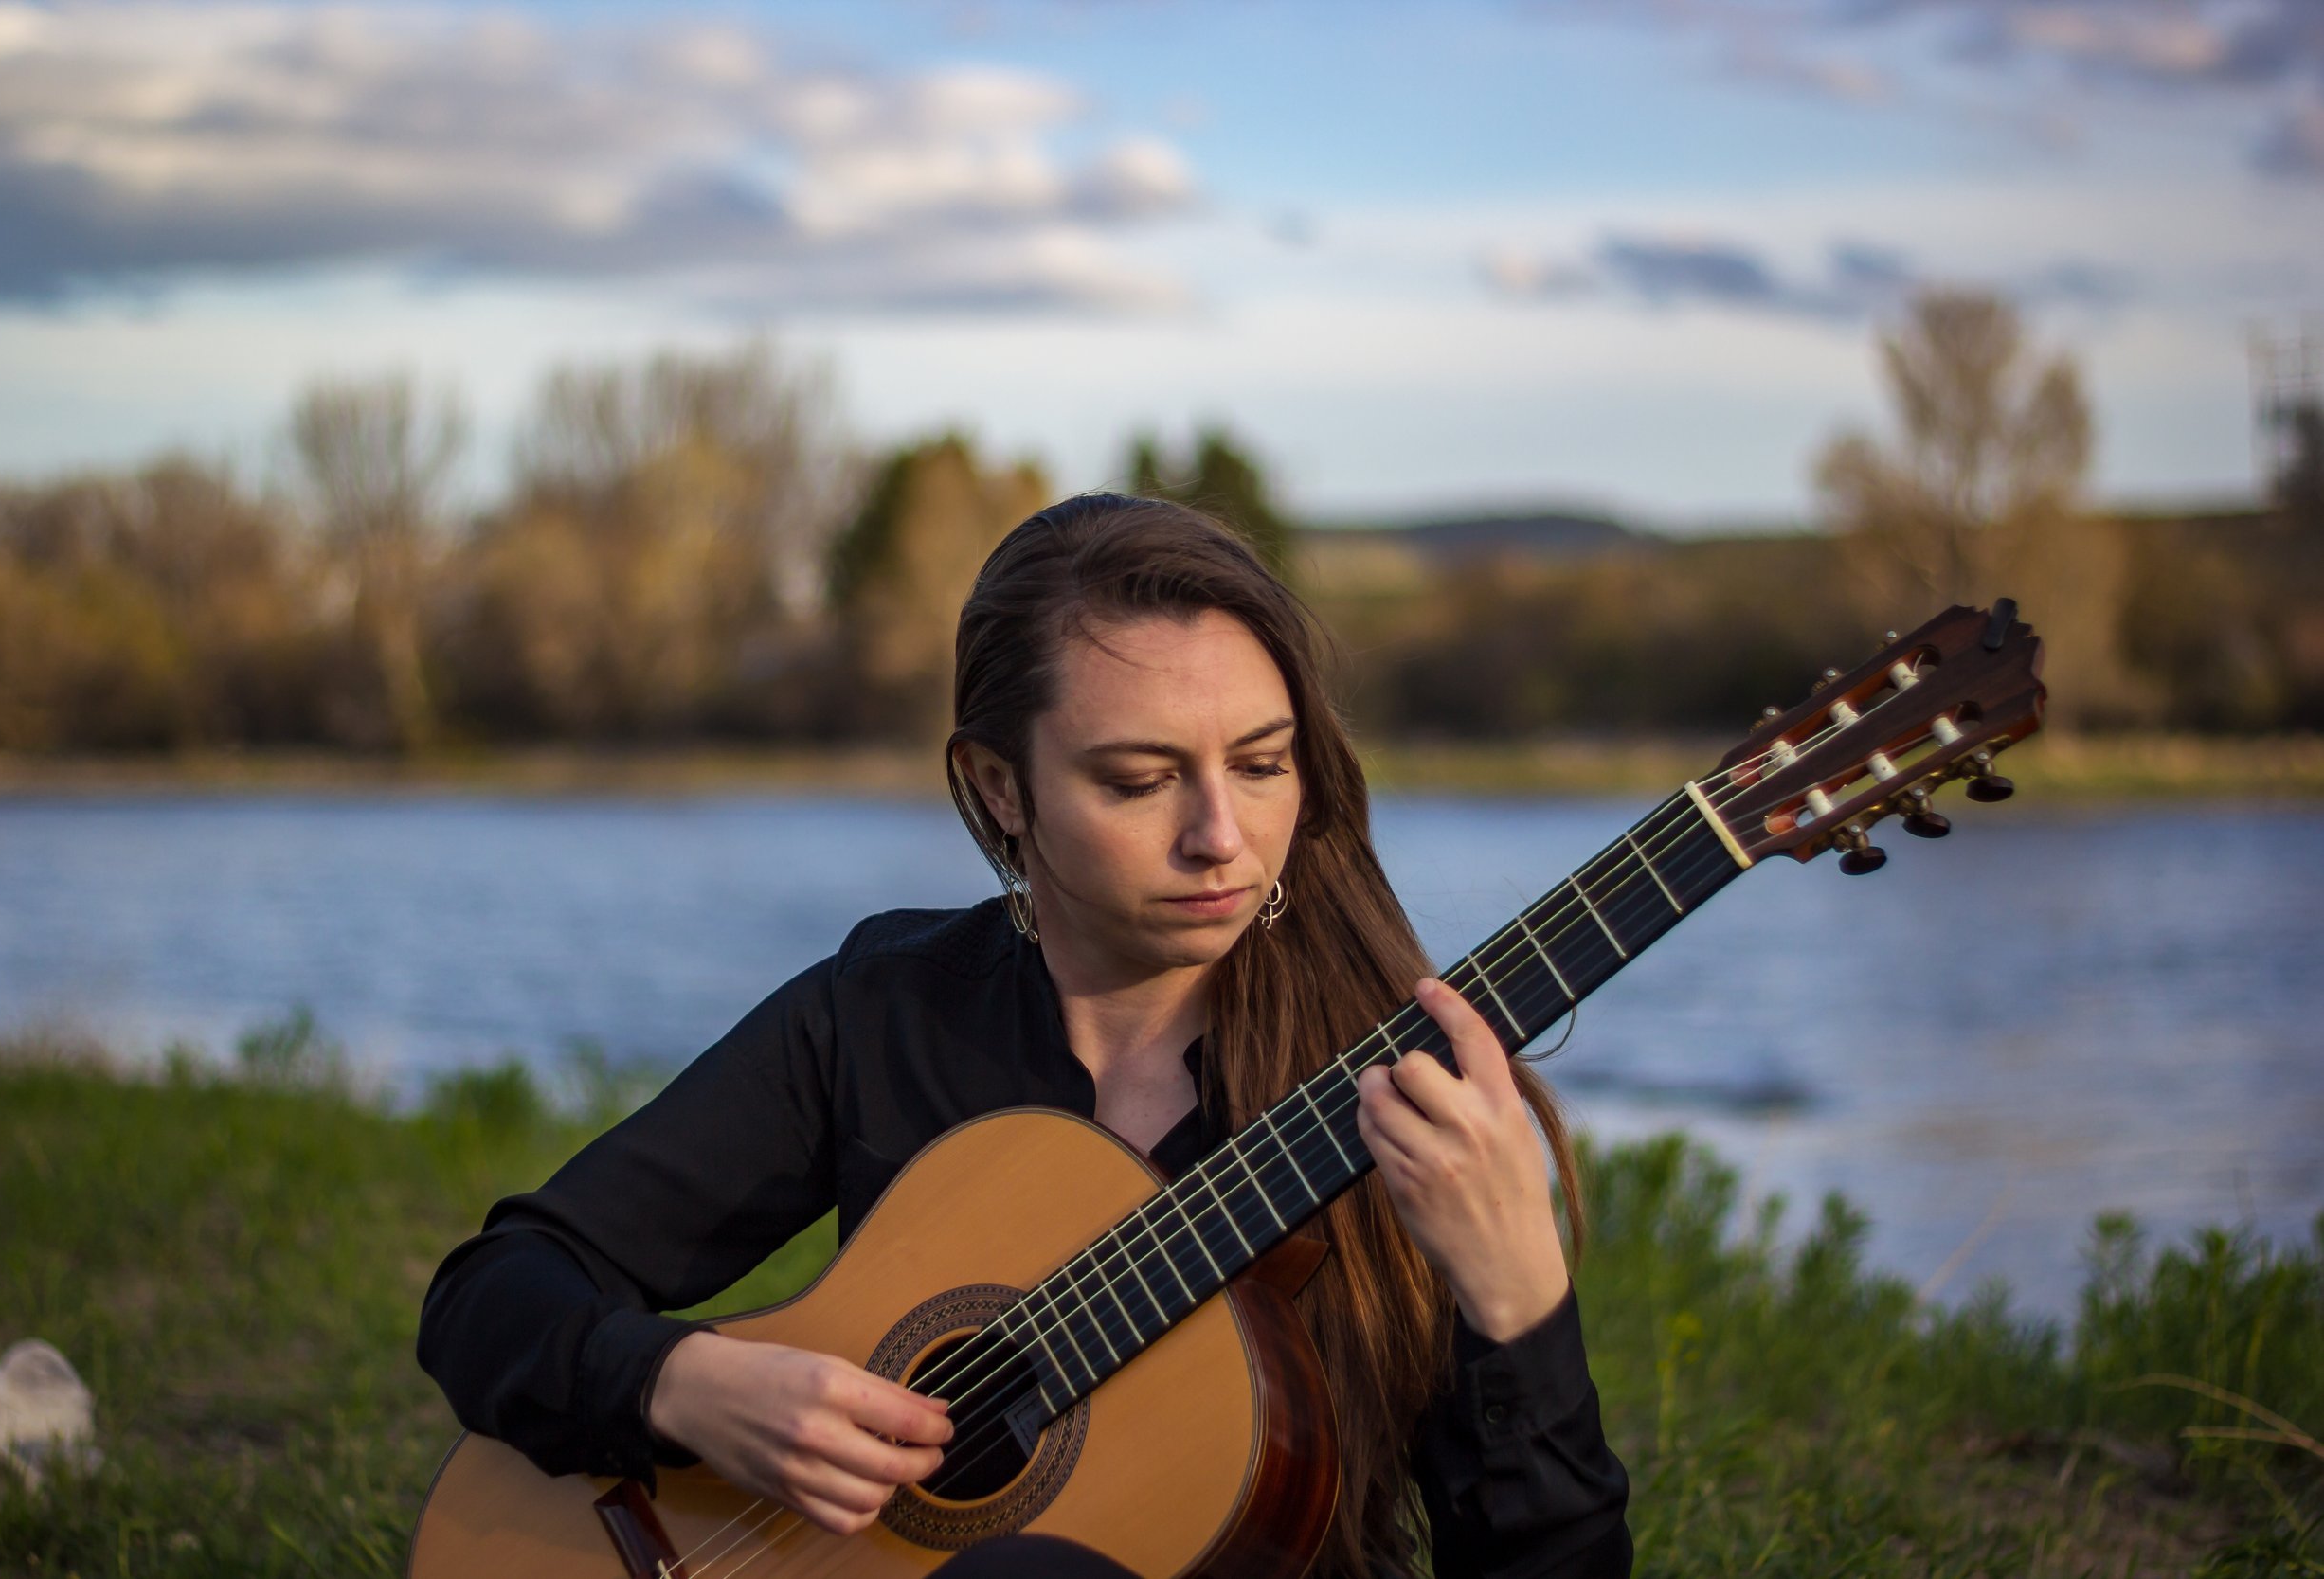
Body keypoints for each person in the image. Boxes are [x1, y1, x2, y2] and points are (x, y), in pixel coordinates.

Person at [417, 494, 1633, 1579]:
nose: (1221, 834)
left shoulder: (1386, 1093)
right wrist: (684, 1385)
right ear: (1002, 787)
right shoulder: (887, 1012)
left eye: (1262, 763)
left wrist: (1519, 1292)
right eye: (1140, 779)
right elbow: (493, 1293)